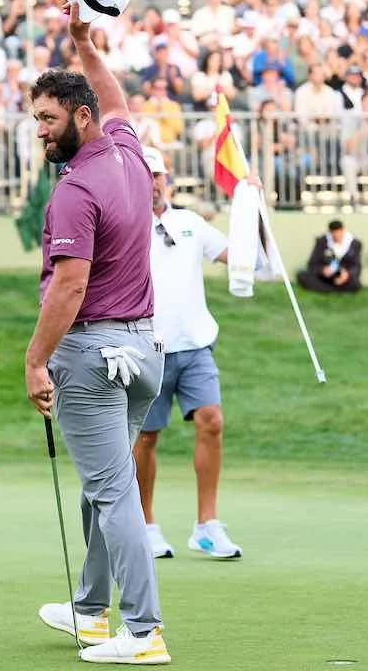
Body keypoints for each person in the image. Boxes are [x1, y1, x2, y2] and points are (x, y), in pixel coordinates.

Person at [29, 2, 170, 665]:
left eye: (49, 119)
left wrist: (36, 360)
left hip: (91, 356)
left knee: (113, 494)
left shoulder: (75, 190)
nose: (40, 132)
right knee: (103, 483)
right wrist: (85, 43)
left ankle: (143, 633)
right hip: (146, 351)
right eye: (36, 119)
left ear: (79, 119)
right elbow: (113, 97)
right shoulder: (128, 154)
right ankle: (89, 611)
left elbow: (70, 286)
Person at [133, 145, 245, 562]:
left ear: (168, 179)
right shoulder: (125, 225)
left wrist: (252, 211)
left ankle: (206, 526)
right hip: (147, 346)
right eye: (145, 175)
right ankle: (145, 524)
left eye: (158, 175)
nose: (153, 182)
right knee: (144, 439)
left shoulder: (190, 223)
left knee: (212, 420)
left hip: (195, 345)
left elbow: (239, 257)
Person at [296, 220, 362, 293]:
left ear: (343, 230)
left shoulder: (355, 244)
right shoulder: (322, 241)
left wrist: (347, 273)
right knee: (302, 276)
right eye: (334, 233)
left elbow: (356, 266)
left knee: (355, 283)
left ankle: (326, 289)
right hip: (325, 276)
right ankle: (333, 290)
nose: (336, 236)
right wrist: (322, 270)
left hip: (343, 276)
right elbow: (312, 264)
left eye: (338, 233)